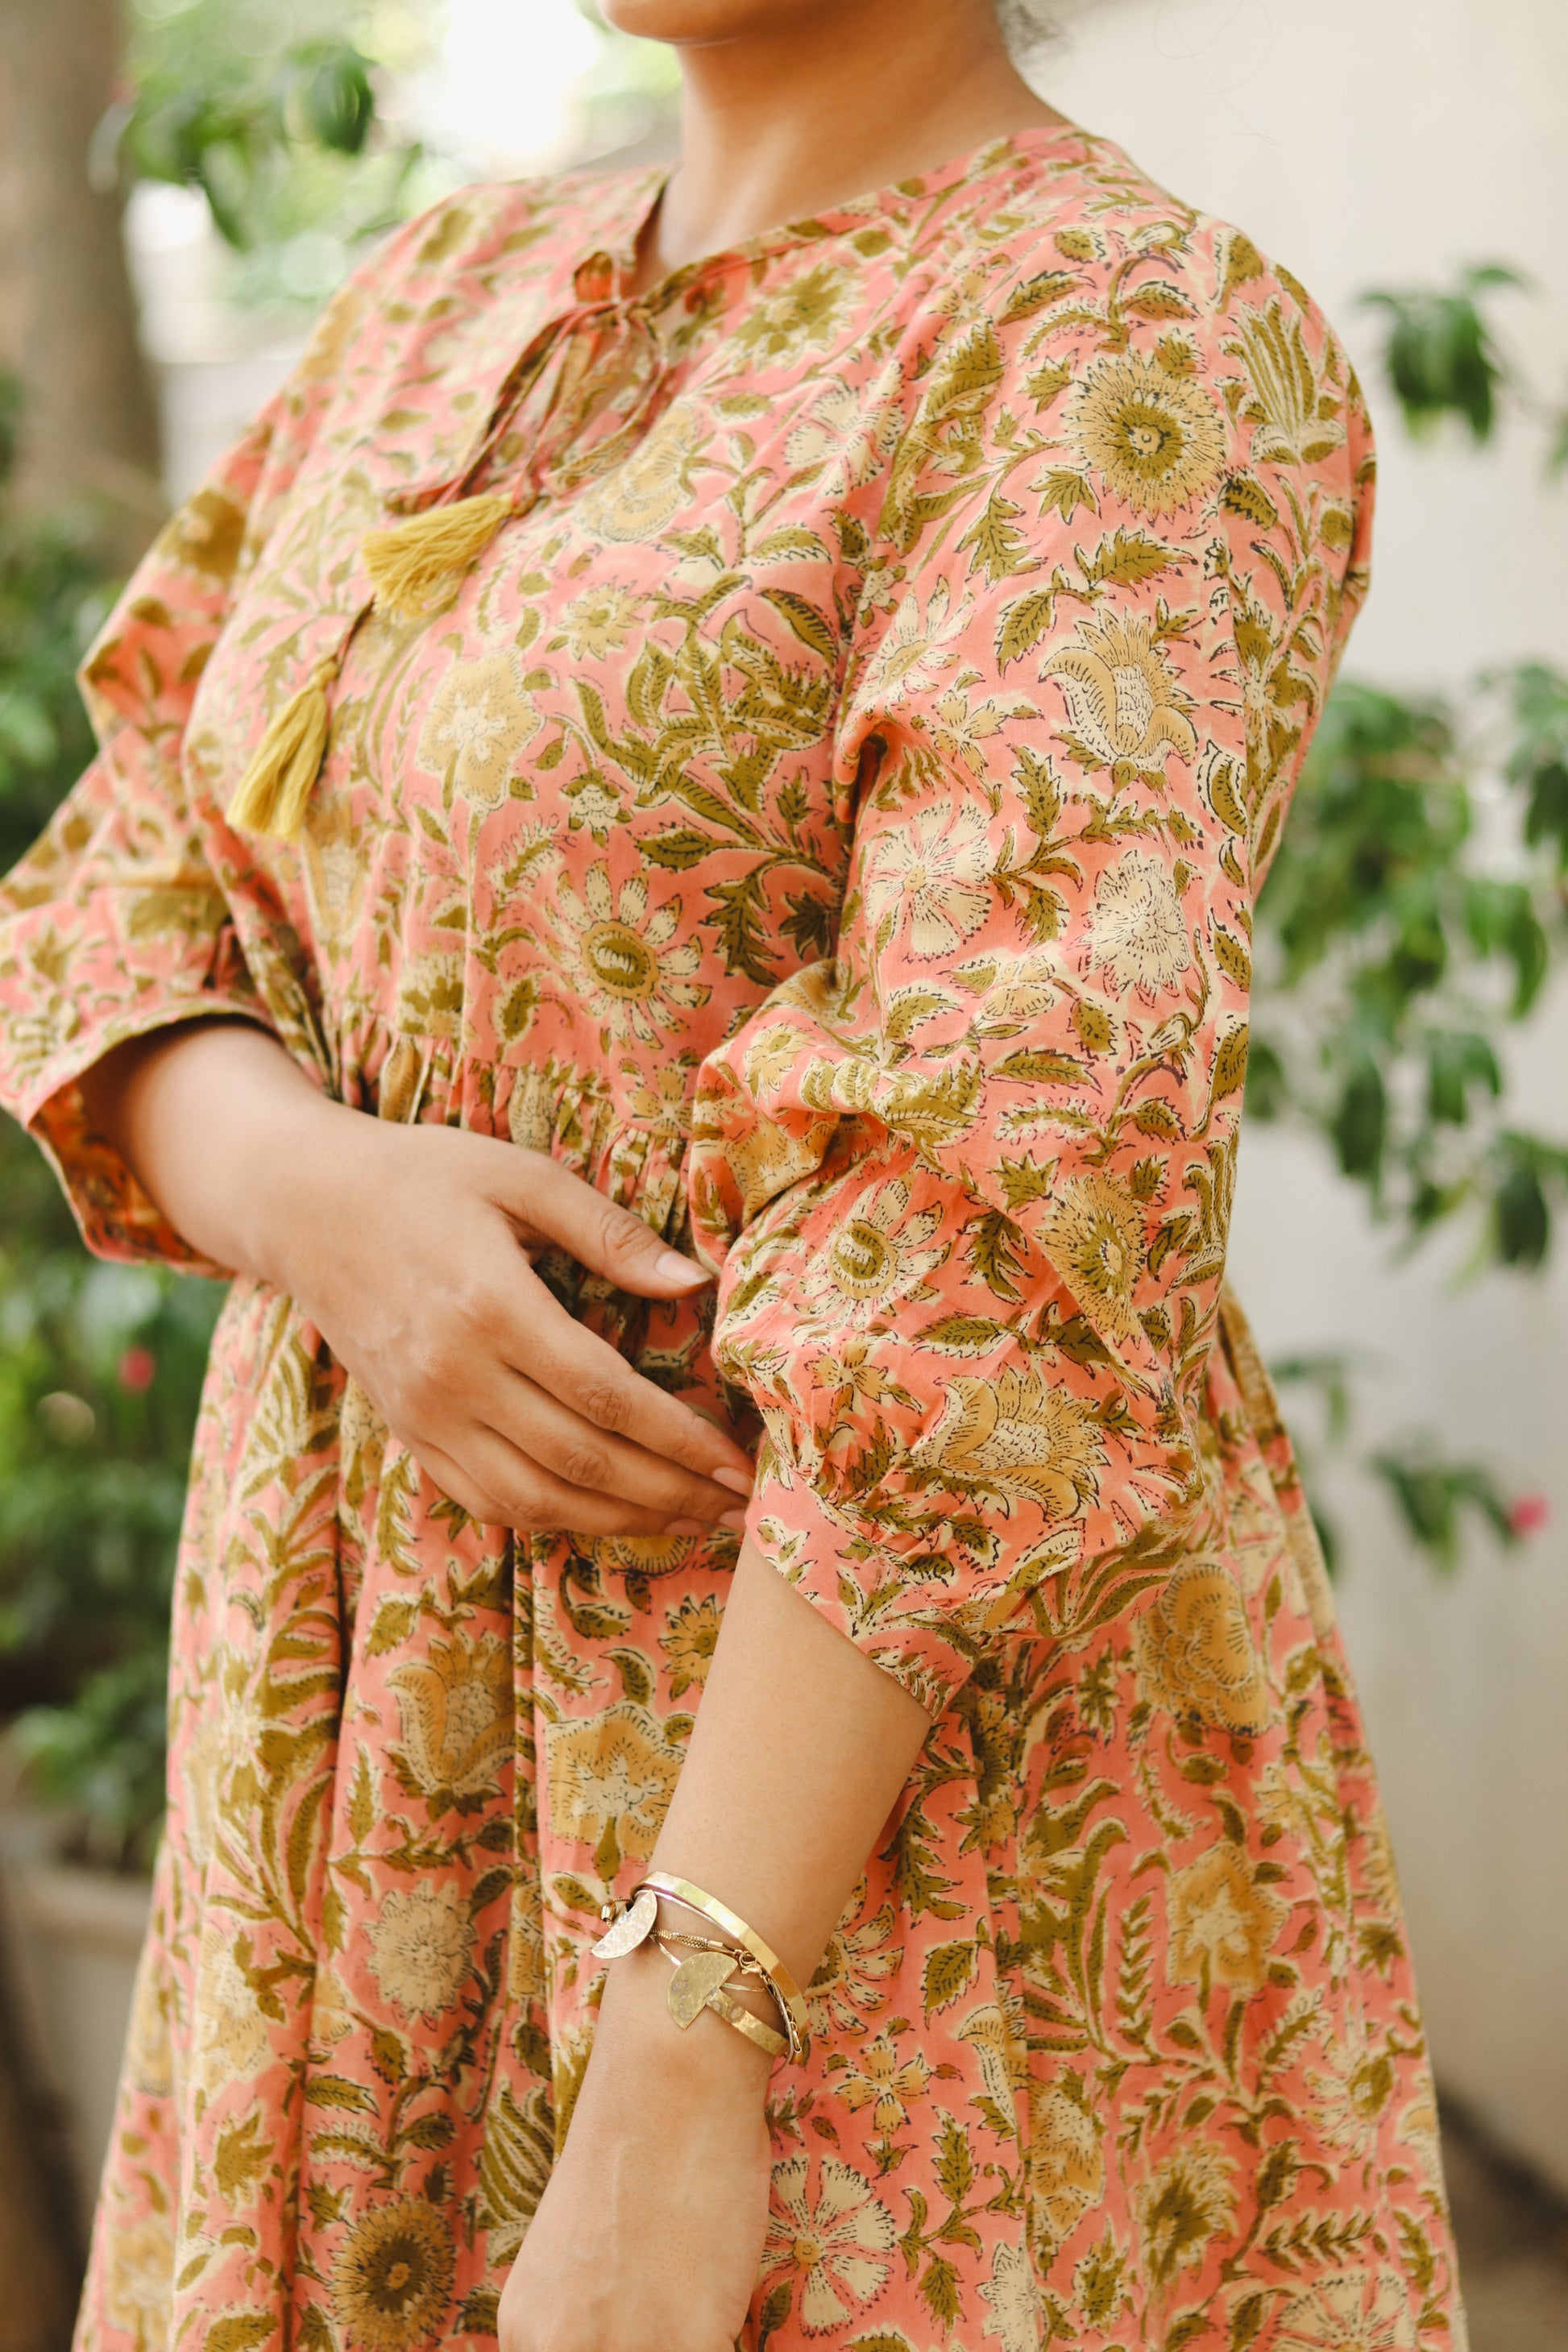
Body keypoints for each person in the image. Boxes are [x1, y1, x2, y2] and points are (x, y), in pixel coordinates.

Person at [0, 0, 1468, 2346]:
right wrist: (304, 1194)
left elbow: (1000, 1187)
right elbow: (128, 856)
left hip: (833, 1804)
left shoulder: (1108, 329)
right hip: (351, 1746)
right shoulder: (445, 291)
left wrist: (696, 2017)